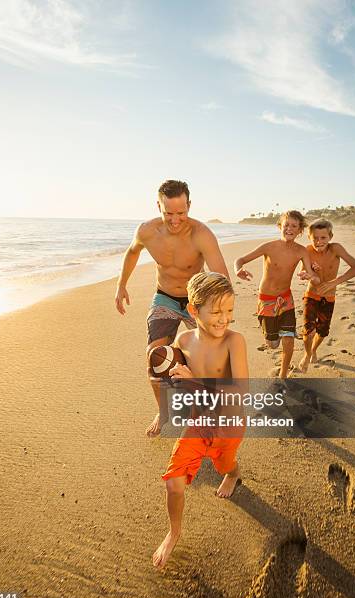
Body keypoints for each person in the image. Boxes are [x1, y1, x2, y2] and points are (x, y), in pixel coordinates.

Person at [114, 179, 229, 436]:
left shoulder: (201, 234)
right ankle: (164, 412)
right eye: (168, 214)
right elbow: (132, 252)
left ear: (189, 205)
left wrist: (218, 313)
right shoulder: (147, 231)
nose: (175, 220)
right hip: (164, 297)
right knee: (154, 357)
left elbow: (221, 278)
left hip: (195, 301)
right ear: (158, 206)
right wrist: (121, 285)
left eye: (181, 213)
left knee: (210, 362)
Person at [152, 272, 248, 569]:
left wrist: (195, 380)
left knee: (225, 463)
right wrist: (168, 373)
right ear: (194, 310)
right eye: (216, 311)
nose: (225, 319)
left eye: (230, 310)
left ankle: (232, 474)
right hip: (198, 423)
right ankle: (174, 532)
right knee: (174, 483)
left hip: (228, 424)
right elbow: (179, 381)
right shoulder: (182, 340)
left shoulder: (235, 341)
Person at [234, 210, 319, 379]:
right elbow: (240, 260)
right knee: (273, 344)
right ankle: (273, 336)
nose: (289, 228)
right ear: (280, 226)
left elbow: (314, 279)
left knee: (289, 339)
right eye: (286, 225)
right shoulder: (269, 247)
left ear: (300, 230)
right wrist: (238, 270)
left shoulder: (302, 251)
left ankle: (283, 376)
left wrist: (311, 275)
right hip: (266, 300)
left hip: (286, 299)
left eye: (294, 226)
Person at [299, 218, 355, 372]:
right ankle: (307, 355)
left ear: (330, 237)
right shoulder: (307, 251)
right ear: (309, 237)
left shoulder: (336, 249)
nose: (319, 241)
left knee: (322, 332)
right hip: (311, 295)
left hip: (329, 298)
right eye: (315, 238)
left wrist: (335, 282)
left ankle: (314, 349)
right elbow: (303, 270)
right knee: (308, 331)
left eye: (323, 238)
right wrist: (307, 274)